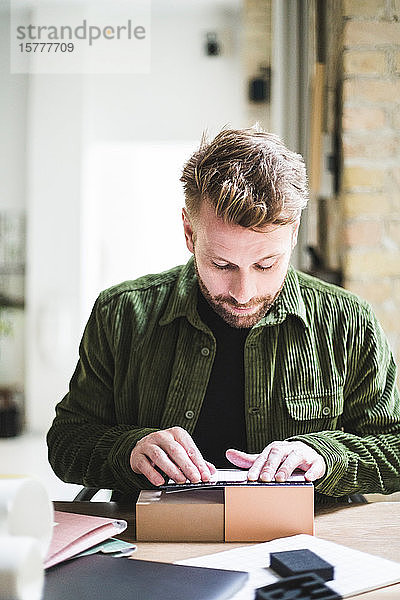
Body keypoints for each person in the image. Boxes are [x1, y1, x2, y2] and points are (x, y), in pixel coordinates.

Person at [47, 127, 400, 504]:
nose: (243, 293)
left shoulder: (349, 321)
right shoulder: (121, 314)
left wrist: (326, 458)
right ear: (189, 232)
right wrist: (129, 449)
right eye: (221, 264)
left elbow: (394, 448)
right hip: (158, 539)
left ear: (293, 233)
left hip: (305, 542)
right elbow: (67, 442)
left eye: (266, 264)